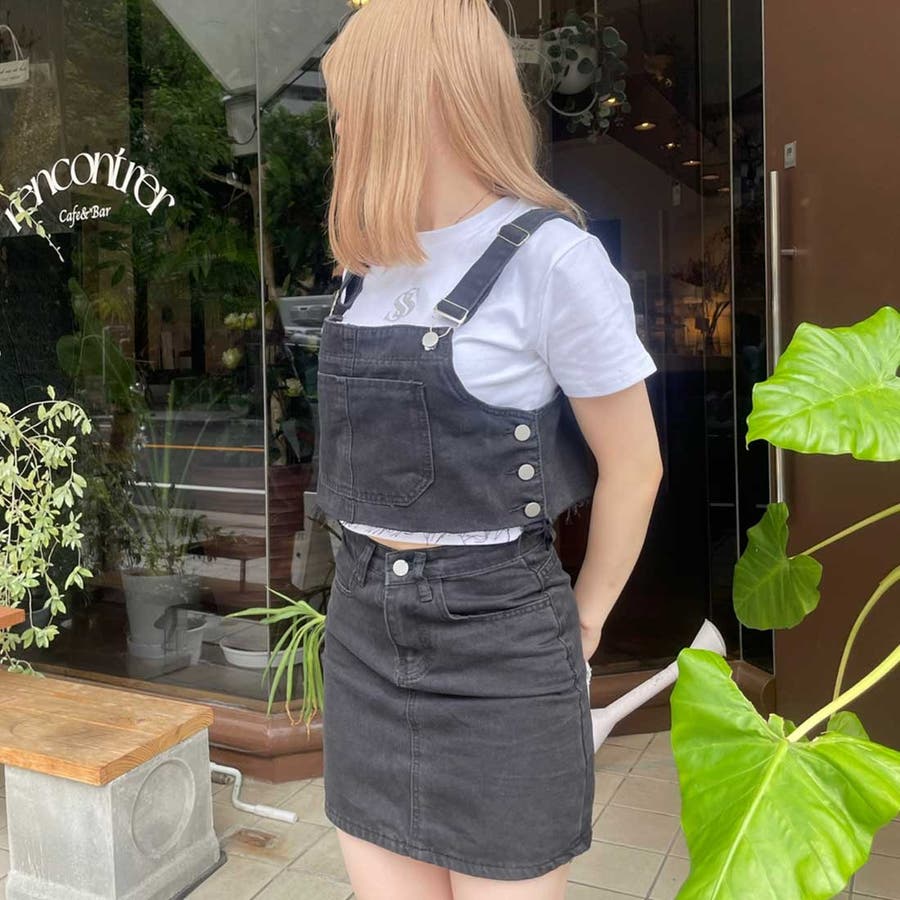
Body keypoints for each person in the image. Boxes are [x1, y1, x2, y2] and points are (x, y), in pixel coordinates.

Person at [316, 2, 663, 898]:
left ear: (411, 97)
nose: (339, 125)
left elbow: (635, 465)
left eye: (348, 104)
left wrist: (583, 624)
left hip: (499, 647)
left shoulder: (554, 261)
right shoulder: (365, 266)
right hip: (360, 634)